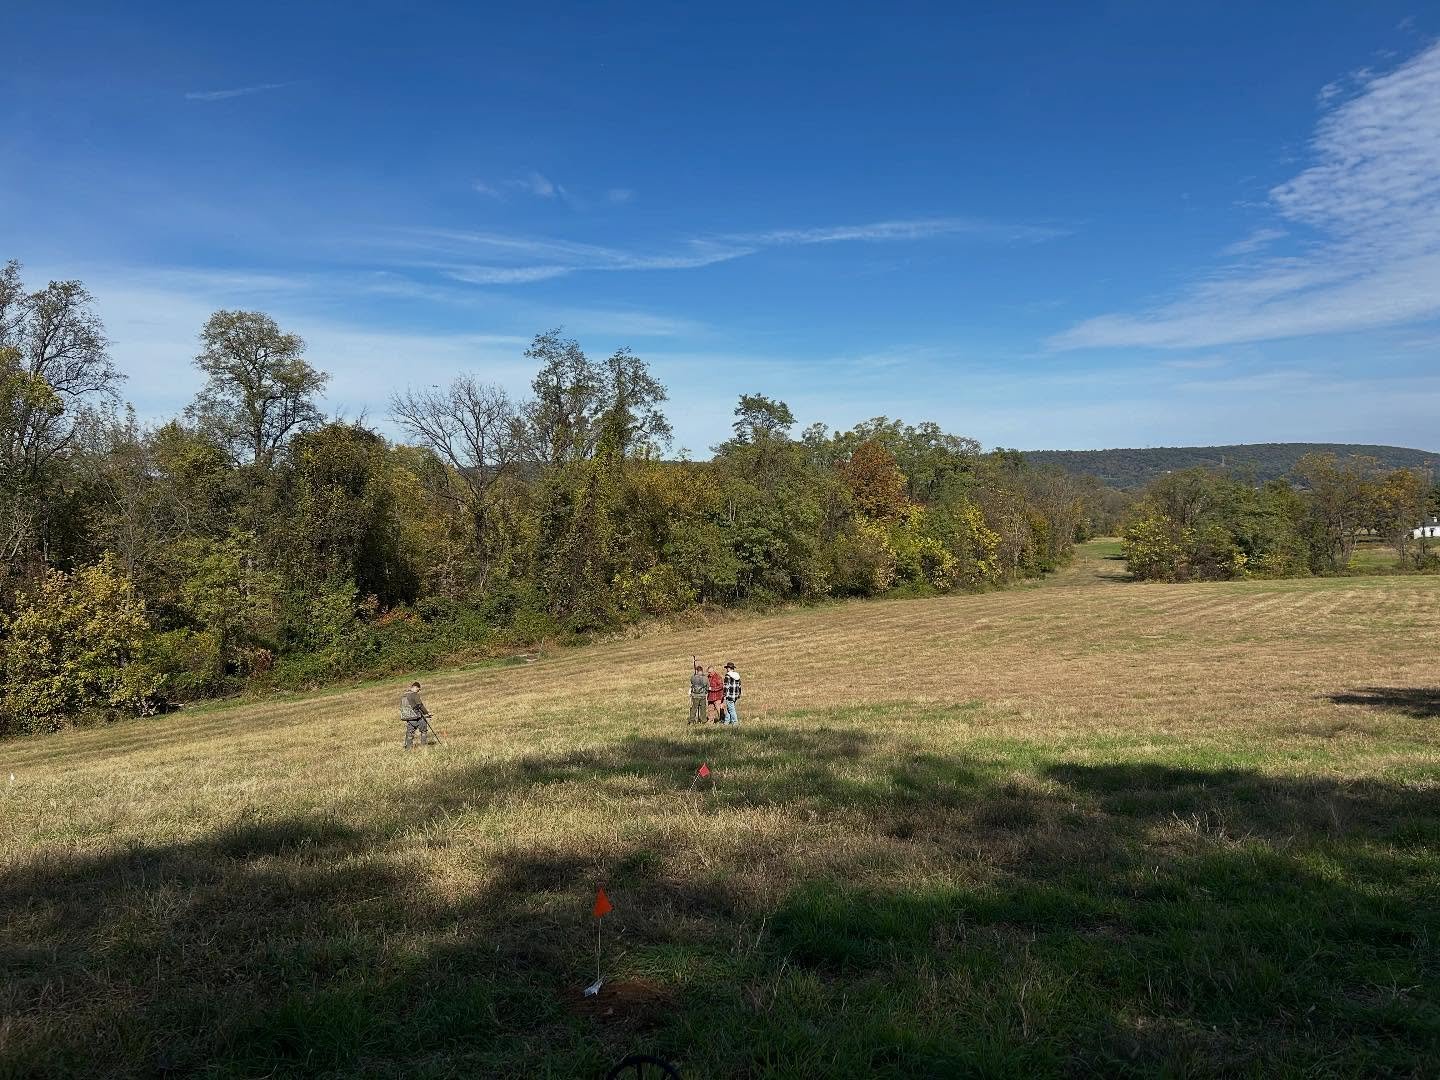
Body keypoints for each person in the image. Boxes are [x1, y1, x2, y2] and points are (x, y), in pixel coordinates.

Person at [399, 680, 434, 749]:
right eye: (419, 689)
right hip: (416, 716)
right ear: (416, 687)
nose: (419, 691)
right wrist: (427, 713)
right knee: (423, 731)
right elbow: (420, 705)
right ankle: (423, 747)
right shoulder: (415, 695)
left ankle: (408, 748)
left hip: (408, 717)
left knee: (410, 733)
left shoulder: (404, 695)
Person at [722, 661, 742, 725]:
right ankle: (726, 722)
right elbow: (739, 686)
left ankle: (735, 722)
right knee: (729, 708)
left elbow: (725, 686)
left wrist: (724, 695)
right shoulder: (737, 676)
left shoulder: (727, 676)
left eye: (727, 668)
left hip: (729, 696)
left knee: (731, 710)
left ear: (728, 668)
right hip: (735, 695)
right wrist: (739, 694)